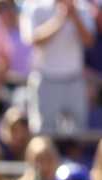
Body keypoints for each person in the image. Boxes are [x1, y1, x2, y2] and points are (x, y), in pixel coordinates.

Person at [20, 0, 95, 133]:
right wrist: (60, 19)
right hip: (46, 79)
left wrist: (75, 17)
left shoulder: (83, 9)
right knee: (44, 131)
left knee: (78, 131)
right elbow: (34, 39)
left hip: (74, 79)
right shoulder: (36, 8)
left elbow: (89, 41)